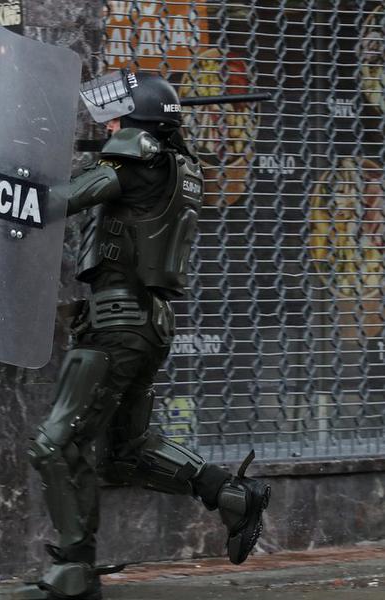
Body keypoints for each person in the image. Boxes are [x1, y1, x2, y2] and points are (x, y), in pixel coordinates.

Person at [28, 71, 271, 600]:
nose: (109, 127)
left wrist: (0, 181)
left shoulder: (137, 161)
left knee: (55, 443)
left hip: (117, 322)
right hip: (146, 322)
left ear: (138, 122)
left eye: (117, 118)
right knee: (126, 451)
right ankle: (230, 494)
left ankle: (74, 571)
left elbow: (55, 202)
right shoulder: (174, 166)